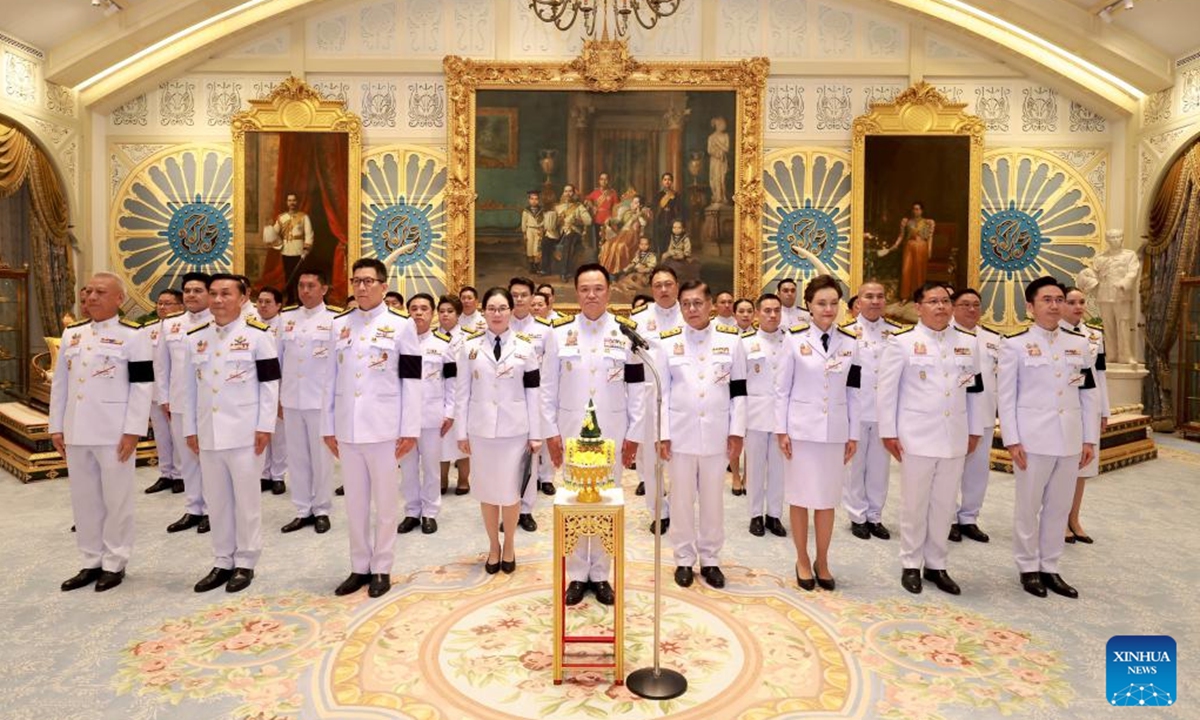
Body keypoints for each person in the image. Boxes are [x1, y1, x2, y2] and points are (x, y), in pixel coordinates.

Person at [542, 264, 645, 605]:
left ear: (609, 290)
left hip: (612, 430)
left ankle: (601, 574)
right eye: (584, 288)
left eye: (598, 288)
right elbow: (547, 388)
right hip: (571, 430)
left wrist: (634, 433)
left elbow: (637, 387)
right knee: (574, 498)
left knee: (607, 500)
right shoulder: (557, 334)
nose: (591, 295)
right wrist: (551, 433)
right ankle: (576, 574)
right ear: (576, 291)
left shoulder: (626, 333)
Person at [878, 281, 986, 596]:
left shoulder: (968, 343)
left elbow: (975, 390)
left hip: (955, 436)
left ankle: (936, 564)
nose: (940, 306)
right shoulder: (902, 342)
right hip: (916, 436)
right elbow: (887, 391)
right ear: (919, 306)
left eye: (945, 301)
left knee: (943, 504)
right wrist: (889, 432)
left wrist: (975, 429)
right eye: (933, 301)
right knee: (915, 503)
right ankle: (911, 563)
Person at [324, 258, 423, 599]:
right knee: (354, 504)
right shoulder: (340, 325)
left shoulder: (401, 325)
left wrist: (409, 428)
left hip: (384, 429)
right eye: (356, 281)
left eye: (368, 281)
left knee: (384, 504)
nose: (362, 287)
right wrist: (328, 425)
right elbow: (331, 380)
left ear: (383, 285)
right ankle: (359, 566)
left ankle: (381, 567)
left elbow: (412, 380)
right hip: (348, 430)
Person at [52, 273, 154, 592]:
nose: (91, 297)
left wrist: (134, 430)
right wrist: (57, 425)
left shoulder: (134, 335)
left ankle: (115, 561)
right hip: (77, 428)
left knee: (116, 498)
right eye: (88, 292)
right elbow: (61, 385)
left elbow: (141, 385)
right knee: (84, 499)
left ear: (118, 299)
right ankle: (90, 560)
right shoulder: (73, 334)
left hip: (114, 430)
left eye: (100, 292)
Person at [999, 276, 1099, 599]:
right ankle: (1028, 567)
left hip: (1069, 439)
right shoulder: (1013, 345)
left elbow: (1087, 393)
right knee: (1028, 507)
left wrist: (1088, 439)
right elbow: (1006, 397)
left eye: (1059, 299)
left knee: (1058, 507)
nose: (1055, 305)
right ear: (1030, 306)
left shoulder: (1079, 344)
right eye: (1047, 300)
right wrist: (1012, 439)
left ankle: (1050, 566)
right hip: (1032, 439)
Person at [182, 274, 280, 594]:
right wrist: (190, 429)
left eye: (226, 293)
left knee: (246, 501)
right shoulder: (196, 336)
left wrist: (265, 425)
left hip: (245, 432)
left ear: (242, 297)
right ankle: (222, 559)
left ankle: (246, 561)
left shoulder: (258, 335)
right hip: (209, 434)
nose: (218, 300)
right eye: (214, 294)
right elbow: (189, 389)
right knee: (217, 501)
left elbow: (269, 385)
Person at [658, 280, 746, 589]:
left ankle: (710, 559)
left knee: (712, 501)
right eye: (686, 304)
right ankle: (683, 558)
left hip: (716, 434)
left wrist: (737, 431)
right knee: (680, 500)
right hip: (680, 435)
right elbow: (663, 394)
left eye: (697, 303)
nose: (692, 309)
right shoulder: (666, 342)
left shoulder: (731, 341)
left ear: (710, 305)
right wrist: (663, 434)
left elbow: (739, 391)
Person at [776, 274, 860, 592]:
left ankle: (822, 560)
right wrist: (781, 429)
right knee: (799, 498)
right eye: (821, 303)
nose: (828, 309)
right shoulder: (793, 339)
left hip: (834, 433)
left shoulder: (852, 343)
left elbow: (855, 391)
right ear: (809, 305)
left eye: (833, 303)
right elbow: (781, 389)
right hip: (800, 431)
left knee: (826, 501)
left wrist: (854, 434)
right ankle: (801, 558)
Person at [455, 287, 543, 575]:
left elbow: (533, 393)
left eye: (502, 308)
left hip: (514, 431)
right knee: (487, 492)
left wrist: (536, 433)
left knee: (510, 493)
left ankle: (510, 545)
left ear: (510, 311)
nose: (497, 313)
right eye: (491, 308)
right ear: (483, 311)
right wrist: (461, 432)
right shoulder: (468, 347)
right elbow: (461, 393)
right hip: (480, 431)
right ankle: (493, 545)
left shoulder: (525, 347)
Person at [277, 269, 340, 535]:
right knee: (297, 457)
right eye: (301, 285)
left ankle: (322, 508)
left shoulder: (336, 319)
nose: (305, 291)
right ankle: (302, 509)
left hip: (320, 400)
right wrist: (278, 397)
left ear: (323, 289)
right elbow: (278, 361)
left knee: (321, 458)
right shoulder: (286, 319)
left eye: (311, 286)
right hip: (292, 398)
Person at [840, 280, 901, 541]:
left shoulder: (897, 334)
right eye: (869, 296)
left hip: (885, 411)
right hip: (856, 408)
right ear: (859, 302)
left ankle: (875, 515)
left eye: (880, 296)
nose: (875, 301)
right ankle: (857, 515)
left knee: (880, 466)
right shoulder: (845, 333)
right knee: (855, 466)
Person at [155, 272, 213, 535]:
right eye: (187, 290)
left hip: (211, 405)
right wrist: (164, 398)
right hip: (179, 402)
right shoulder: (171, 325)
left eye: (197, 290)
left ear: (209, 294)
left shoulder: (219, 322)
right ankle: (194, 508)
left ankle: (213, 510)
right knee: (187, 459)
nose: (191, 295)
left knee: (210, 460)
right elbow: (161, 365)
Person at [629, 266, 684, 530]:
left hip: (682, 398)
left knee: (679, 459)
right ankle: (658, 512)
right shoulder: (639, 319)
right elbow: (632, 363)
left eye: (668, 284)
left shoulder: (689, 313)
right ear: (652, 289)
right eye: (658, 285)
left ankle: (678, 506)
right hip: (650, 396)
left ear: (677, 286)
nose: (664, 289)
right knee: (652, 460)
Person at [397, 293, 457, 536]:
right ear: (407, 312)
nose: (418, 313)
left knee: (431, 467)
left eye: (424, 308)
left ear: (432, 314)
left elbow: (452, 382)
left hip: (433, 416)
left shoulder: (443, 345)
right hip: (404, 418)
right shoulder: (397, 343)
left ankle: (430, 512)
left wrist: (450, 412)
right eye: (414, 308)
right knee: (408, 467)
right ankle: (412, 511)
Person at [948, 288, 1002, 544]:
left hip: (984, 415)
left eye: (976, 305)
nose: (971, 309)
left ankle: (969, 517)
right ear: (953, 307)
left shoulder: (993, 339)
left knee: (978, 470)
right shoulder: (945, 336)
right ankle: (947, 519)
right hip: (953, 417)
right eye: (965, 304)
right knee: (950, 470)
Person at [1061, 287, 1110, 545]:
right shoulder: (1053, 333)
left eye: (1081, 302)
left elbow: (1100, 375)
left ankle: (1074, 517)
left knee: (1083, 466)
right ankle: (1059, 520)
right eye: (1071, 302)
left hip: (1089, 407)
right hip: (1065, 406)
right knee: (1063, 468)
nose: (1078, 306)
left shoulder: (1094, 335)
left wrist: (1104, 410)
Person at [741, 293, 788, 538]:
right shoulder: (745, 342)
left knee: (779, 469)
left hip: (783, 418)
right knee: (756, 467)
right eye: (767, 310)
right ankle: (756, 514)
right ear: (758, 313)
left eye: (776, 310)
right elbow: (738, 383)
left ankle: (775, 515)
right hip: (756, 415)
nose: (772, 315)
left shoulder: (791, 341)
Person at [510, 277, 555, 517]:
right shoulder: (499, 326)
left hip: (534, 401)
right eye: (515, 295)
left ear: (532, 298)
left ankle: (526, 510)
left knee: (532, 455)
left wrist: (546, 405)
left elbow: (548, 374)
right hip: (506, 404)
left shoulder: (544, 331)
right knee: (508, 462)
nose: (519, 299)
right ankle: (507, 507)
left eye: (524, 295)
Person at [1076, 229, 1140, 364]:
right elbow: (1093, 273)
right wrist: (1086, 278)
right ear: (1107, 240)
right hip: (1104, 295)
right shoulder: (1100, 258)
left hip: (1122, 294)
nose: (1115, 240)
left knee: (1123, 324)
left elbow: (1133, 272)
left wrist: (1124, 283)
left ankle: (1125, 355)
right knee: (1109, 326)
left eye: (1118, 237)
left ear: (1122, 238)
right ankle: (1111, 355)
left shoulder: (1129, 255)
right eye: (1112, 238)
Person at [144, 289, 184, 495]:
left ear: (180, 306)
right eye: (159, 303)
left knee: (178, 435)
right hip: (153, 391)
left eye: (168, 303)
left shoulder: (185, 328)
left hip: (176, 391)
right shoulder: (148, 329)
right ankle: (165, 473)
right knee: (161, 434)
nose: (162, 307)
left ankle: (180, 475)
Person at [255, 286, 288, 496]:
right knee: (259, 431)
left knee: (278, 435)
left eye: (268, 302)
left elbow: (285, 360)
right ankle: (264, 474)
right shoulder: (250, 326)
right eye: (260, 301)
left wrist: (281, 394)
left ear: (278, 305)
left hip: (278, 386)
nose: (263, 305)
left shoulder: (285, 326)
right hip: (254, 388)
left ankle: (278, 475)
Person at [436, 295, 471, 495]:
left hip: (462, 397)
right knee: (440, 443)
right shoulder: (430, 337)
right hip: (438, 397)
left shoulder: (469, 337)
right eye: (441, 311)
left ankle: (463, 480)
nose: (445, 315)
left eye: (450, 311)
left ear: (458, 314)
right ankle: (441, 480)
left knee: (462, 442)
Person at [880, 201, 935, 302]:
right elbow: (901, 236)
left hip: (922, 247)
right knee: (906, 270)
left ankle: (919, 296)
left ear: (922, 211)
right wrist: (895, 245)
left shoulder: (927, 222)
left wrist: (930, 249)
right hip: (909, 247)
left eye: (918, 209)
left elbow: (930, 238)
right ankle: (905, 296)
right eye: (914, 209)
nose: (915, 211)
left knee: (919, 272)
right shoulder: (907, 222)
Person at [267, 193, 314, 302]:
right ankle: (290, 299)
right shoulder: (282, 218)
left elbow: (309, 234)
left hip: (299, 250)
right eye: (289, 200)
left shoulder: (303, 217)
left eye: (294, 200)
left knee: (299, 277)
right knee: (288, 276)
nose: (292, 203)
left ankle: (301, 299)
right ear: (286, 203)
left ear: (297, 202)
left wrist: (306, 249)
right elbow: (274, 232)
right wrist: (269, 232)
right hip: (286, 250)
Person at [599, 194, 652, 276]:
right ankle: (608, 272)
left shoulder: (642, 215)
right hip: (622, 234)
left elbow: (644, 224)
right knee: (607, 245)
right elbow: (617, 220)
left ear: (640, 205)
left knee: (621, 247)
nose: (632, 204)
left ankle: (618, 272)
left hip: (633, 237)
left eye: (636, 203)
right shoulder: (626, 212)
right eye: (633, 202)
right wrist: (610, 220)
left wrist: (638, 214)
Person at [555, 184, 593, 281]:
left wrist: (576, 220)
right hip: (560, 232)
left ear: (574, 193)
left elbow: (588, 221)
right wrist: (558, 221)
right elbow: (554, 223)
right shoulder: (558, 207)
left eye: (570, 191)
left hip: (574, 232)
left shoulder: (579, 207)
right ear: (563, 193)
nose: (568, 194)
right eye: (566, 191)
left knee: (568, 241)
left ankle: (564, 272)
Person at [584, 172, 618, 259]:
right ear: (599, 181)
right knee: (598, 240)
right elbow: (587, 199)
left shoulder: (612, 193)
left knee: (608, 240)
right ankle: (598, 259)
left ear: (608, 181)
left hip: (608, 219)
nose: (604, 181)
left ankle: (607, 259)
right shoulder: (595, 192)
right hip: (597, 218)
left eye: (606, 179)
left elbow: (616, 207)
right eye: (602, 179)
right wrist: (593, 206)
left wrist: (613, 218)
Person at [652, 172, 680, 258]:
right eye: (665, 180)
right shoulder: (658, 195)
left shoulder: (676, 195)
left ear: (672, 182)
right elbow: (654, 207)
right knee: (661, 240)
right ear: (662, 182)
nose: (667, 181)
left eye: (669, 180)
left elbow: (679, 208)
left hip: (672, 220)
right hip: (660, 220)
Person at [520, 190, 546, 273]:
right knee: (530, 247)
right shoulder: (526, 211)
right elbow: (524, 222)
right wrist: (524, 233)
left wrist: (542, 227)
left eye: (536, 199)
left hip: (538, 230)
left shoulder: (541, 210)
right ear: (529, 200)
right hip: (529, 230)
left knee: (537, 248)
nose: (534, 201)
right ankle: (531, 266)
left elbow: (544, 220)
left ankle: (537, 265)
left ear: (539, 200)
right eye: (532, 199)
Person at [708, 117, 730, 205]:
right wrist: (716, 153)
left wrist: (717, 143)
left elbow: (726, 149)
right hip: (715, 160)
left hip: (722, 160)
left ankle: (723, 196)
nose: (722, 126)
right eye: (720, 124)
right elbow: (709, 150)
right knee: (715, 178)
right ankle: (717, 196)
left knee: (722, 179)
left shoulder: (725, 136)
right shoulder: (711, 137)